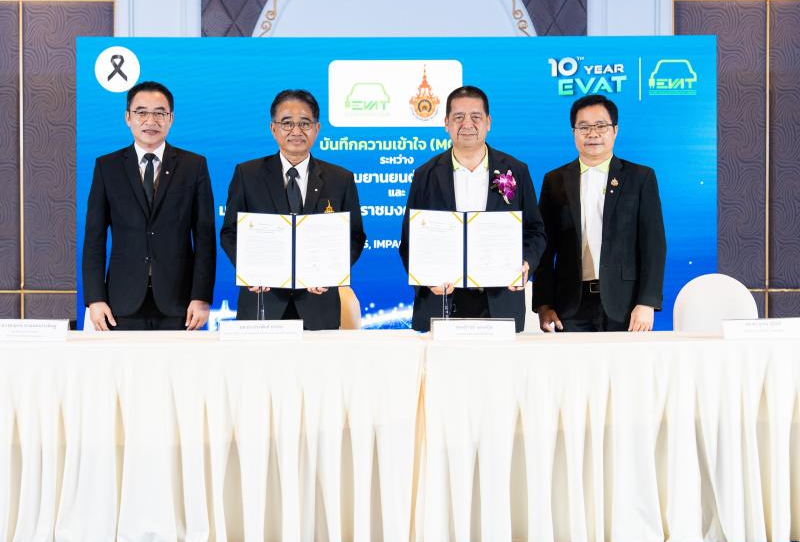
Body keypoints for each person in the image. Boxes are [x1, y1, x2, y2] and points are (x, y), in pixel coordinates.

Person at [399, 86, 547, 332]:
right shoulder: (425, 175)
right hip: (442, 300)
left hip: (500, 300)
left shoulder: (516, 171)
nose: (467, 124)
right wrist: (425, 278)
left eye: (475, 117)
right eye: (458, 117)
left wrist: (526, 264)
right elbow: (409, 240)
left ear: (488, 122)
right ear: (446, 123)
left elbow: (535, 231)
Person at [220, 89, 366, 330]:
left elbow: (355, 236)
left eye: (305, 123)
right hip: (262, 301)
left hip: (318, 304)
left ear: (317, 128)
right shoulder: (247, 174)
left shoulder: (340, 179)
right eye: (287, 123)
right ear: (273, 128)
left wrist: (331, 273)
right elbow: (230, 232)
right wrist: (249, 270)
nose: (296, 131)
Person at [82, 81, 216, 331]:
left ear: (171, 118)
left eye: (159, 113)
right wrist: (95, 298)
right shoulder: (107, 167)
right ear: (128, 117)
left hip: (180, 302)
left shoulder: (194, 166)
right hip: (121, 301)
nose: (150, 121)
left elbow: (205, 238)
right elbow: (94, 238)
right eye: (141, 112)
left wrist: (201, 297)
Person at [532, 94, 666, 332]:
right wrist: (544, 304)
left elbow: (653, 245)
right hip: (569, 306)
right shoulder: (555, 180)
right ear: (573, 132)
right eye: (583, 127)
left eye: (601, 126)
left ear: (615, 130)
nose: (592, 133)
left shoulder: (640, 177)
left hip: (626, 305)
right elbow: (544, 248)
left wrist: (647, 302)